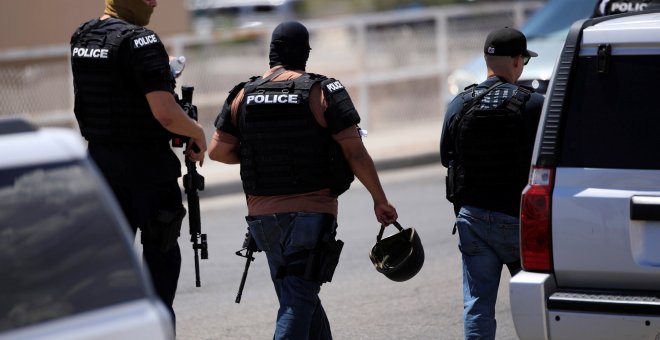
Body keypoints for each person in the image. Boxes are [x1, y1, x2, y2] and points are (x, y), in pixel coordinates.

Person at [209, 21, 398, 340]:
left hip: (262, 217)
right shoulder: (322, 90)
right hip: (312, 213)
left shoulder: (243, 93)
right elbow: (355, 153)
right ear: (305, 54)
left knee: (298, 294)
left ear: (272, 53)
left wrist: (262, 152)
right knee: (298, 299)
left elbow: (217, 151)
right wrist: (379, 199)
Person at [69, 0, 207, 328]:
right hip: (147, 172)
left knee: (109, 276)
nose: (154, 2)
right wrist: (197, 132)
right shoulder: (141, 41)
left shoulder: (83, 37)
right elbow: (165, 113)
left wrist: (162, 67)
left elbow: (115, 82)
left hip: (100, 168)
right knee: (160, 277)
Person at [439, 27, 544, 340]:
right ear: (516, 61)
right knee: (533, 303)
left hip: (471, 218)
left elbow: (447, 157)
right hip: (518, 221)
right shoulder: (534, 104)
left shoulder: (459, 103)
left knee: (477, 306)